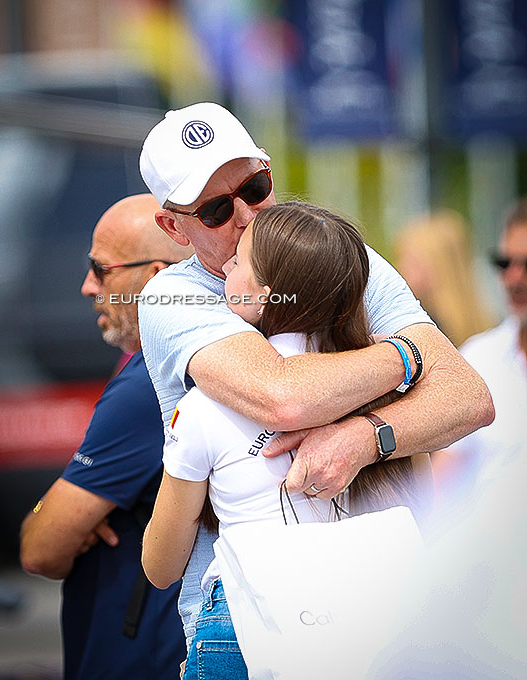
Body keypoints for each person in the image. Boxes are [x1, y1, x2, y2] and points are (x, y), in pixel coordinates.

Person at [137, 102, 493, 645]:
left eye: (254, 187)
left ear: (268, 170)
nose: (246, 215)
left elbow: (469, 397)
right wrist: (408, 358)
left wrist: (365, 436)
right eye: (215, 210)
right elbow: (285, 398)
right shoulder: (174, 295)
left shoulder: (344, 256)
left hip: (386, 609)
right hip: (253, 625)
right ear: (172, 226)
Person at [142, 202, 433, 678]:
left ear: (265, 296)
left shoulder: (202, 409)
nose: (227, 267)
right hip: (382, 621)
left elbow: (162, 566)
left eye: (240, 261)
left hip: (247, 624)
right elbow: (426, 509)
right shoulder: (396, 395)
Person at [20, 194, 193, 680]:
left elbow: (40, 550)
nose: (87, 286)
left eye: (101, 269)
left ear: (155, 279)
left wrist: (54, 512)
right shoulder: (200, 354)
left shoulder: (149, 379)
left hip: (142, 657)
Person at [440, 198, 527, 494]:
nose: (513, 278)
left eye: (526, 265)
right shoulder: (480, 356)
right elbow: (443, 483)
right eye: (504, 263)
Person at [392, 210, 494, 347]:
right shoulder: (486, 326)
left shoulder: (427, 328)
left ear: (439, 267)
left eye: (411, 261)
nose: (400, 267)